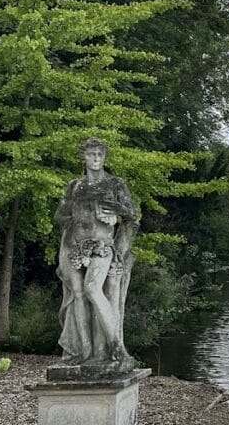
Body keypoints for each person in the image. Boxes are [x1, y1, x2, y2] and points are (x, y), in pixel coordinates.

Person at [54, 137, 138, 367]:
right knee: (78, 295)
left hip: (102, 247)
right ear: (84, 156)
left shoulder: (115, 184)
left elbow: (132, 214)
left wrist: (115, 213)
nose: (96, 159)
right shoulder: (75, 186)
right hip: (74, 246)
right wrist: (75, 220)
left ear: (104, 157)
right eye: (91, 154)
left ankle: (117, 348)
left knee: (92, 288)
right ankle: (85, 352)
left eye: (100, 154)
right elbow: (59, 216)